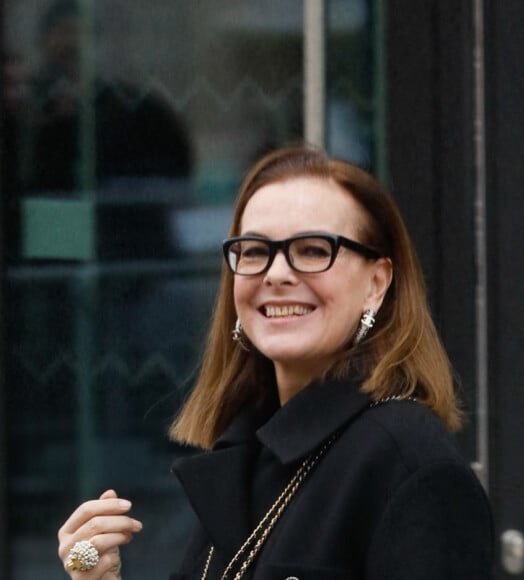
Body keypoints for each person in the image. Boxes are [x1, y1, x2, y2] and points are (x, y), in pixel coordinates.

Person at [58, 145, 494, 579]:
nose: (277, 273)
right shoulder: (249, 455)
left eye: (311, 250)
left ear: (376, 283)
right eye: (253, 251)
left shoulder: (410, 464)